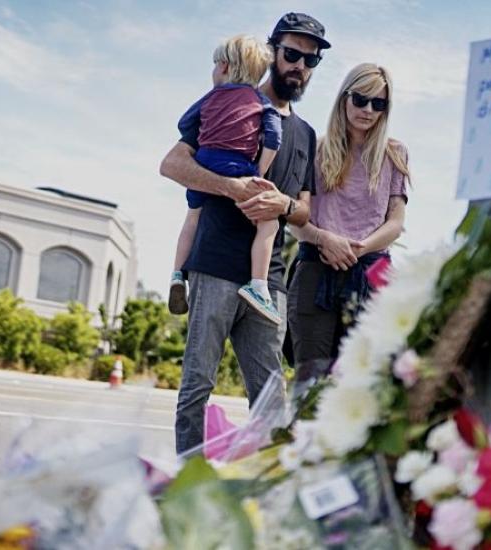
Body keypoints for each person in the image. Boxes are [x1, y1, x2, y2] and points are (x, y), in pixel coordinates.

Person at [160, 12, 331, 455]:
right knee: (196, 385)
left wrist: (283, 206)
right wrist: (231, 187)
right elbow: (172, 164)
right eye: (292, 54)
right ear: (272, 53)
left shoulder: (307, 135)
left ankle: (264, 486)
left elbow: (305, 210)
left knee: (271, 401)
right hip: (214, 264)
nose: (300, 66)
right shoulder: (227, 101)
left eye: (310, 60)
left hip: (268, 283)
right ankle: (188, 477)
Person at [288, 63, 410, 366]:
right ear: (345, 97)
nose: (368, 110)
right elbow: (296, 219)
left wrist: (358, 248)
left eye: (378, 103)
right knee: (310, 379)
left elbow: (396, 223)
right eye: (360, 99)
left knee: (363, 378)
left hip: (372, 271)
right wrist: (325, 240)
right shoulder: (315, 149)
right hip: (316, 268)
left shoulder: (395, 154)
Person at [169, 34, 283, 324]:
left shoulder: (209, 97)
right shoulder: (260, 102)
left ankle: (177, 275)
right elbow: (274, 137)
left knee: (192, 218)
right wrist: (258, 171)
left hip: (204, 160)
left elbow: (184, 122)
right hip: (238, 166)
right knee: (269, 222)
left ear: (223, 66)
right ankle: (259, 287)